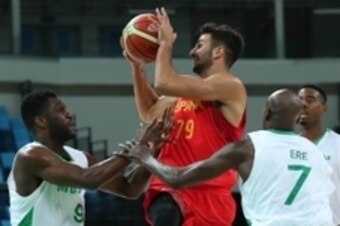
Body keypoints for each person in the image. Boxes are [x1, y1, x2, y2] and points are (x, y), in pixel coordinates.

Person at [121, 89, 335, 226]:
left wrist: (146, 157)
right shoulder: (314, 151)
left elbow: (178, 178)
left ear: (267, 112)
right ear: (298, 118)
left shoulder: (248, 147)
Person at [123, 7, 247, 226]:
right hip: (168, 188)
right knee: (165, 212)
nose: (192, 51)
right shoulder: (184, 94)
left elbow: (164, 83)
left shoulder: (230, 86)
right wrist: (138, 68)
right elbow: (149, 111)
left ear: (218, 52)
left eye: (199, 45)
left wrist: (166, 44)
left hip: (211, 195)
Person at [7, 90, 172, 226]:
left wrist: (152, 151)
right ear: (41, 121)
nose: (69, 114)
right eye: (60, 110)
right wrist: (138, 144)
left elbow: (129, 189)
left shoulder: (82, 158)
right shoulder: (31, 155)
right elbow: (88, 179)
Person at [298, 84, 340, 225]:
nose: (303, 104)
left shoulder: (337, 144)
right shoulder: (288, 146)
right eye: (299, 100)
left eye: (310, 100)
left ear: (324, 109)